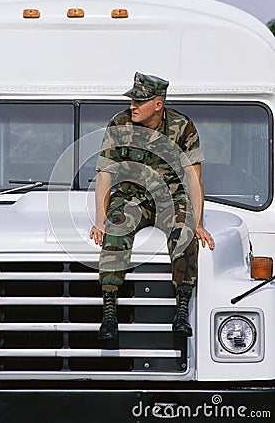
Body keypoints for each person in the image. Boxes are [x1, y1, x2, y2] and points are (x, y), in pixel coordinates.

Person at [89, 72, 215, 341]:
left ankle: (182, 309)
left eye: (140, 101)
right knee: (117, 228)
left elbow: (194, 178)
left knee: (185, 231)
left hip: (169, 198)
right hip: (131, 197)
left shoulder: (181, 126)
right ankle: (109, 311)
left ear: (158, 104)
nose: (132, 105)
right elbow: (105, 173)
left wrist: (199, 222)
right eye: (132, 100)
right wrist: (100, 220)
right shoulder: (120, 123)